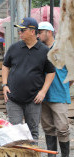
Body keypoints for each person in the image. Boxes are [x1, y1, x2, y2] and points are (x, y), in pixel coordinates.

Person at [2, 17, 56, 145]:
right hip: (13, 97)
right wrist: (4, 84)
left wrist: (43, 91)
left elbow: (51, 72)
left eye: (23, 30)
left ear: (33, 32)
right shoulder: (14, 48)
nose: (19, 33)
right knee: (15, 131)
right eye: (19, 31)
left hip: (33, 99)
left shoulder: (44, 51)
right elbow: (5, 66)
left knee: (33, 131)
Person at [38, 21, 71, 157]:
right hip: (43, 96)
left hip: (59, 95)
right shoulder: (39, 50)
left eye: (40, 32)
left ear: (49, 32)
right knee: (48, 128)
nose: (38, 35)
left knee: (63, 129)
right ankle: (51, 155)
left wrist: (63, 87)